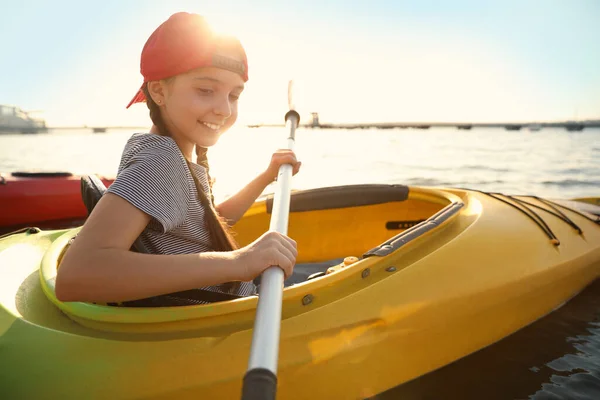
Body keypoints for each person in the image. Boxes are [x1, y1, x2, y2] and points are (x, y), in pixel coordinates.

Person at [55, 12, 301, 306]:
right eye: (206, 90)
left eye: (234, 95)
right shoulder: (160, 161)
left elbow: (206, 223)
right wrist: (239, 261)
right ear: (159, 90)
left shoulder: (176, 154)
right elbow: (77, 275)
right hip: (216, 326)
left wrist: (266, 176)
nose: (224, 109)